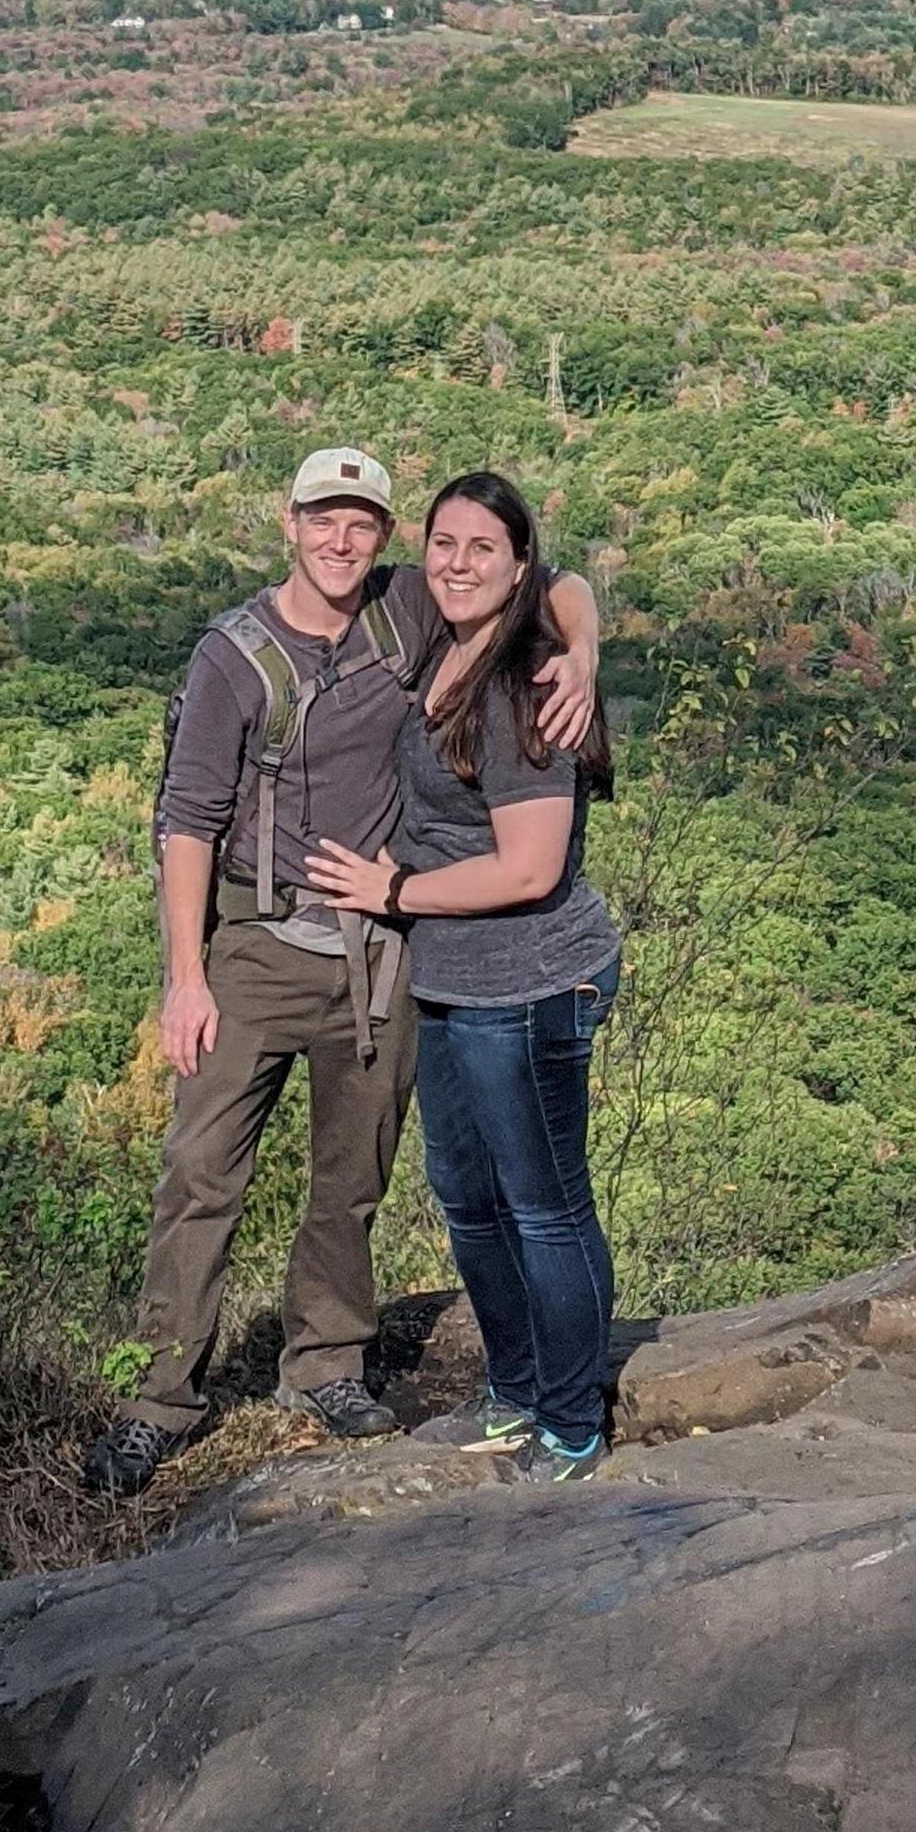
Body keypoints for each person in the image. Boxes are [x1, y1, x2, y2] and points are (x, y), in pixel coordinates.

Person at [81, 448, 600, 1499]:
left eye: (362, 523)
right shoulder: (232, 656)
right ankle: (159, 1398)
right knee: (201, 1175)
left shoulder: (406, 605)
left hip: (380, 951)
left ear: (380, 535)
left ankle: (323, 1364)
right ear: (288, 521)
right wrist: (185, 974)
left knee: (350, 1175)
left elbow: (556, 580)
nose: (340, 540)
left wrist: (580, 651)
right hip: (256, 944)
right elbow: (185, 818)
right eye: (323, 519)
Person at [305, 471, 623, 1484]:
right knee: (466, 1196)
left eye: (480, 547)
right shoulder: (445, 643)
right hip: (449, 978)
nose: (454, 561)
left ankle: (571, 1421)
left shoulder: (523, 682)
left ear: (515, 564)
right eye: (442, 541)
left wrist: (394, 887)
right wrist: (586, 636)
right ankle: (516, 1388)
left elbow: (528, 866)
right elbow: (573, 579)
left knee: (544, 1203)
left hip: (527, 982)